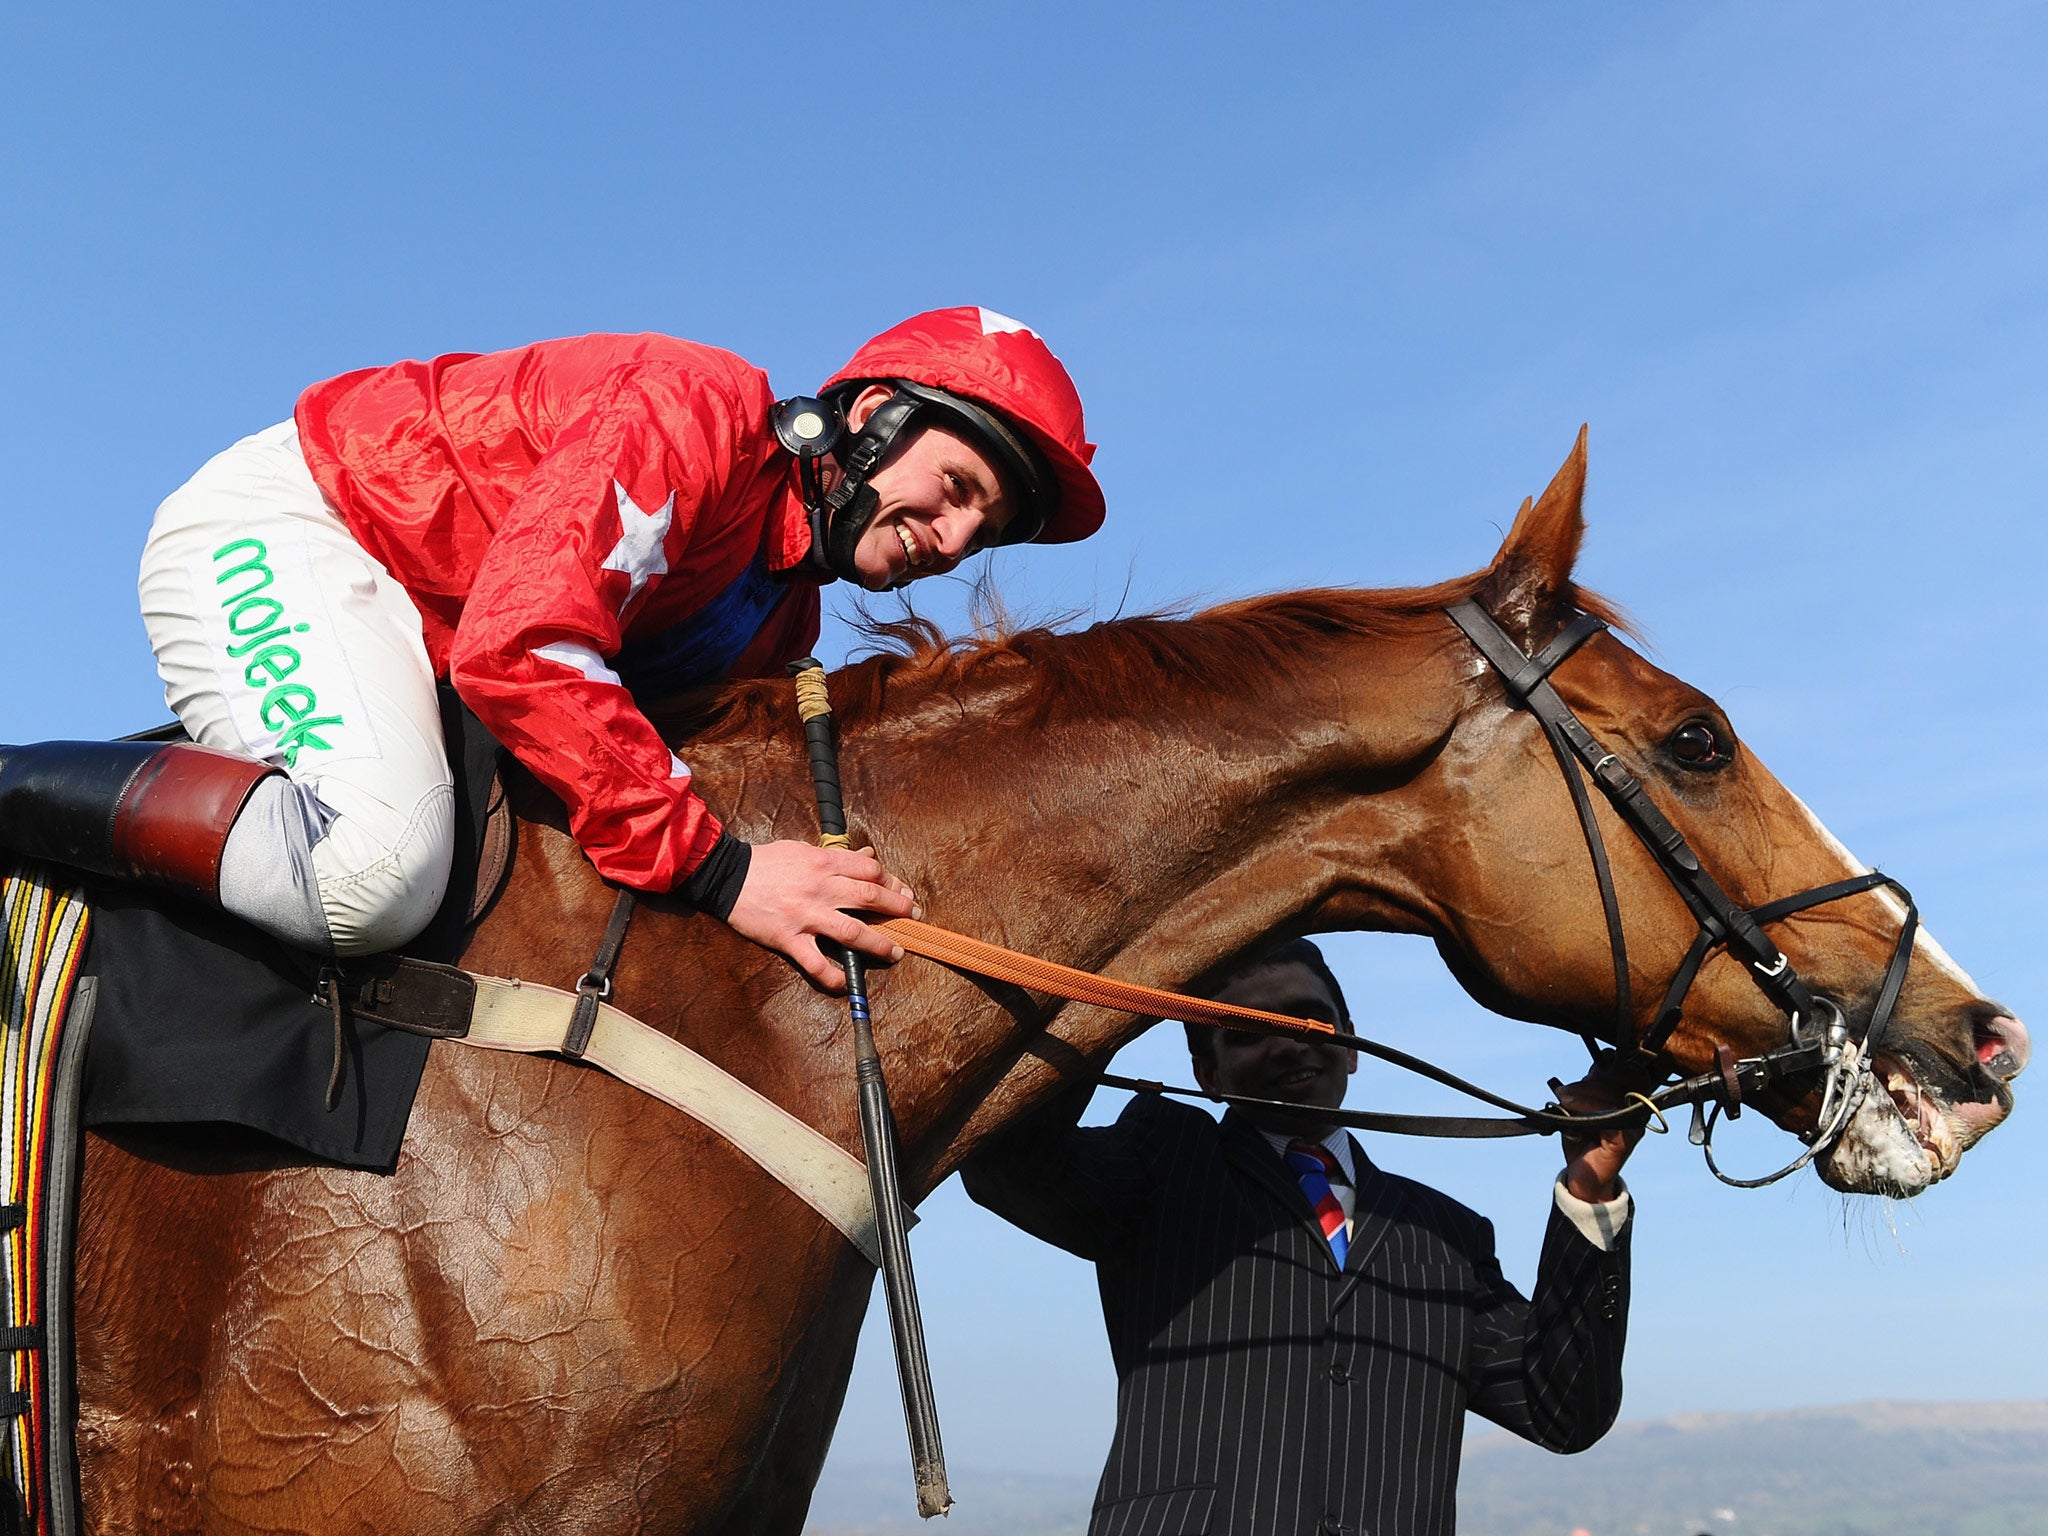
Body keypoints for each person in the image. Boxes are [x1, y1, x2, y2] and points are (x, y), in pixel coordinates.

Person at [0, 307, 1103, 987]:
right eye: (955, 489)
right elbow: (524, 643)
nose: (954, 540)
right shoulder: (698, 408)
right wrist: (722, 872)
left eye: (984, 530)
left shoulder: (782, 618)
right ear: (868, 416)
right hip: (304, 529)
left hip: (426, 627)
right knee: (369, 874)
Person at [962, 938, 1638, 1536]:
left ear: (1351, 1042)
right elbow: (1007, 1165)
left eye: (1308, 1017)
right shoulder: (1164, 1160)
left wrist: (1590, 1190)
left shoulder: (1446, 1235)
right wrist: (1110, 997)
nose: (1287, 1041)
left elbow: (1564, 1410)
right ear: (1208, 1075)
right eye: (1248, 1032)